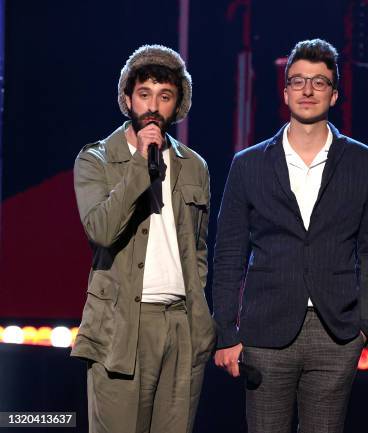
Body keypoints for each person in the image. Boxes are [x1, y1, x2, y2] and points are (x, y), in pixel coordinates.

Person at [213, 38, 368, 433]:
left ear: (335, 93)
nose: (308, 90)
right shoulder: (249, 164)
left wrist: (367, 324)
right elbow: (228, 253)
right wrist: (226, 331)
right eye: (298, 81)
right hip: (265, 331)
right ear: (286, 89)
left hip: (337, 333)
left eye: (319, 82)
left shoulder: (363, 162)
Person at [70, 44, 215, 433]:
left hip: (181, 326)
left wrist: (200, 325)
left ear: (178, 104)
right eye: (144, 94)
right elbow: (100, 230)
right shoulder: (96, 160)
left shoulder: (194, 166)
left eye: (164, 96)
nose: (153, 105)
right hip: (122, 327)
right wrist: (140, 164)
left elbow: (198, 251)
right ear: (128, 98)